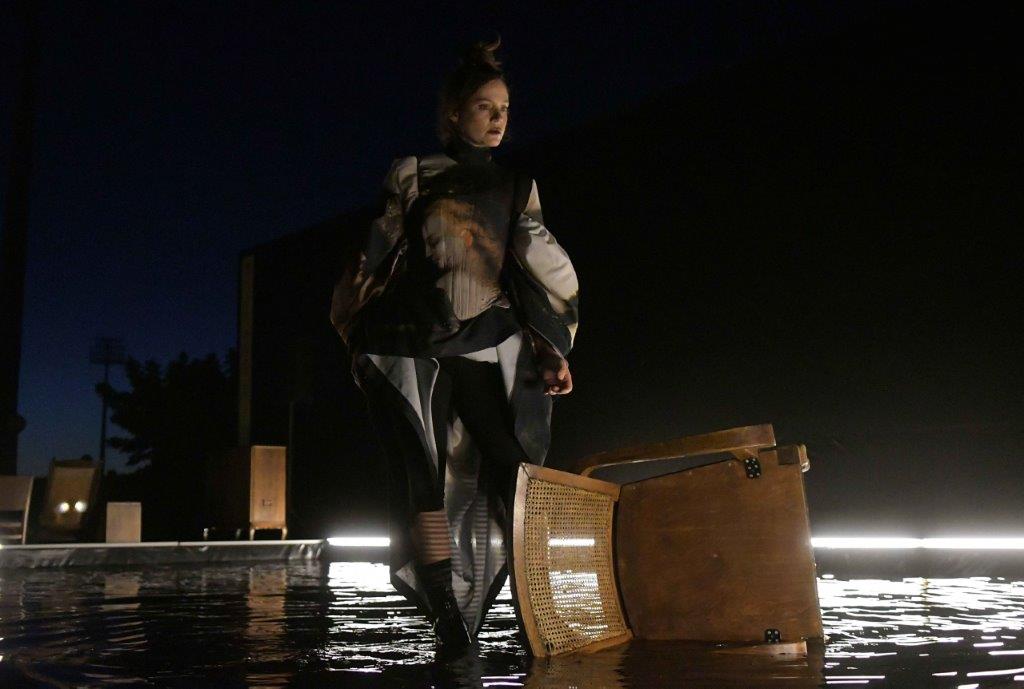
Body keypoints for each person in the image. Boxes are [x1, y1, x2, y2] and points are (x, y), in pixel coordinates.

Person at [330, 36, 579, 655]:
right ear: (453, 113)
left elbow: (535, 272)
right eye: (485, 107)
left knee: (512, 468)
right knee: (423, 473)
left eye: (505, 109)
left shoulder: (516, 186)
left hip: (483, 342)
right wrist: (355, 322)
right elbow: (378, 253)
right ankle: (446, 617)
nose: (499, 119)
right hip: (413, 341)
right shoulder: (414, 173)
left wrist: (551, 348)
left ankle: (534, 601)